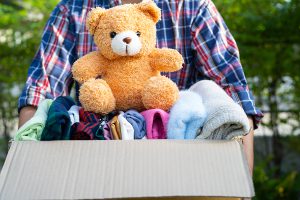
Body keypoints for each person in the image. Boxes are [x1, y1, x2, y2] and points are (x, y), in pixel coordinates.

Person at [18, 0, 263, 175]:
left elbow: (233, 98)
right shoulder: (72, 9)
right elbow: (40, 93)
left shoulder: (193, 7)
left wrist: (238, 185)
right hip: (91, 165)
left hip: (180, 165)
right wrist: (31, 173)